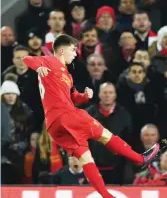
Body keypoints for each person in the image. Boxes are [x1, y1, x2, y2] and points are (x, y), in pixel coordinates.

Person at [23, 34, 160, 198]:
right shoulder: (51, 61)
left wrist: (85, 96)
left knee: (86, 158)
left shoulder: (66, 75)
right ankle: (139, 159)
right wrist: (37, 67)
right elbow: (27, 58)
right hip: (66, 115)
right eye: (73, 50)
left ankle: (105, 195)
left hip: (54, 126)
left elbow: (73, 97)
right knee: (105, 135)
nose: (75, 54)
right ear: (61, 50)